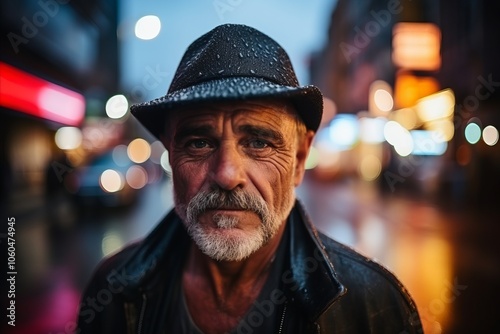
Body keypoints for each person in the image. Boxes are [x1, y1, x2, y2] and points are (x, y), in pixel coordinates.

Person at [77, 24, 422, 333]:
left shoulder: (372, 307)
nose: (227, 175)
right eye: (199, 143)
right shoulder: (114, 292)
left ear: (300, 159)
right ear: (171, 154)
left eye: (258, 143)